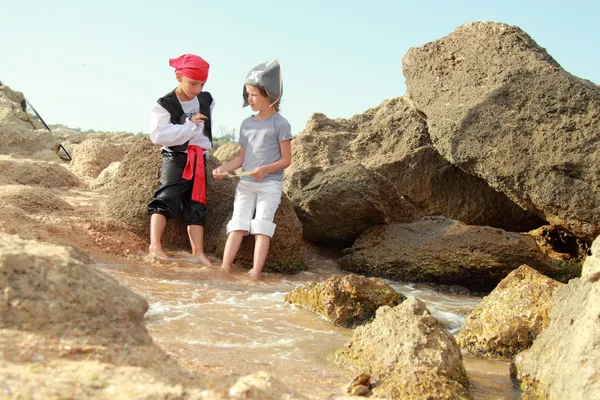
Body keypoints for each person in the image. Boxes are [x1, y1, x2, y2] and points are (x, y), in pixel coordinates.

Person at [213, 60, 292, 281]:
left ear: (271, 95)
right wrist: (222, 168)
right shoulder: (246, 124)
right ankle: (224, 268)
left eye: (254, 94)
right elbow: (241, 157)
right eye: (248, 94)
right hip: (246, 184)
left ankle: (255, 272)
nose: (250, 99)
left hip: (270, 184)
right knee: (238, 223)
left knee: (262, 226)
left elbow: (286, 160)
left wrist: (266, 169)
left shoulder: (281, 124)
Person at [146, 53, 214, 267]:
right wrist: (189, 126)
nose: (197, 89)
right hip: (175, 156)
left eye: (201, 84)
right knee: (165, 197)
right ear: (178, 77)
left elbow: (205, 132)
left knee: (197, 203)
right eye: (193, 83)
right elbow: (158, 135)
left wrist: (204, 149)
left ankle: (198, 252)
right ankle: (155, 246)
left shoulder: (207, 99)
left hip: (199, 157)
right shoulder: (164, 104)